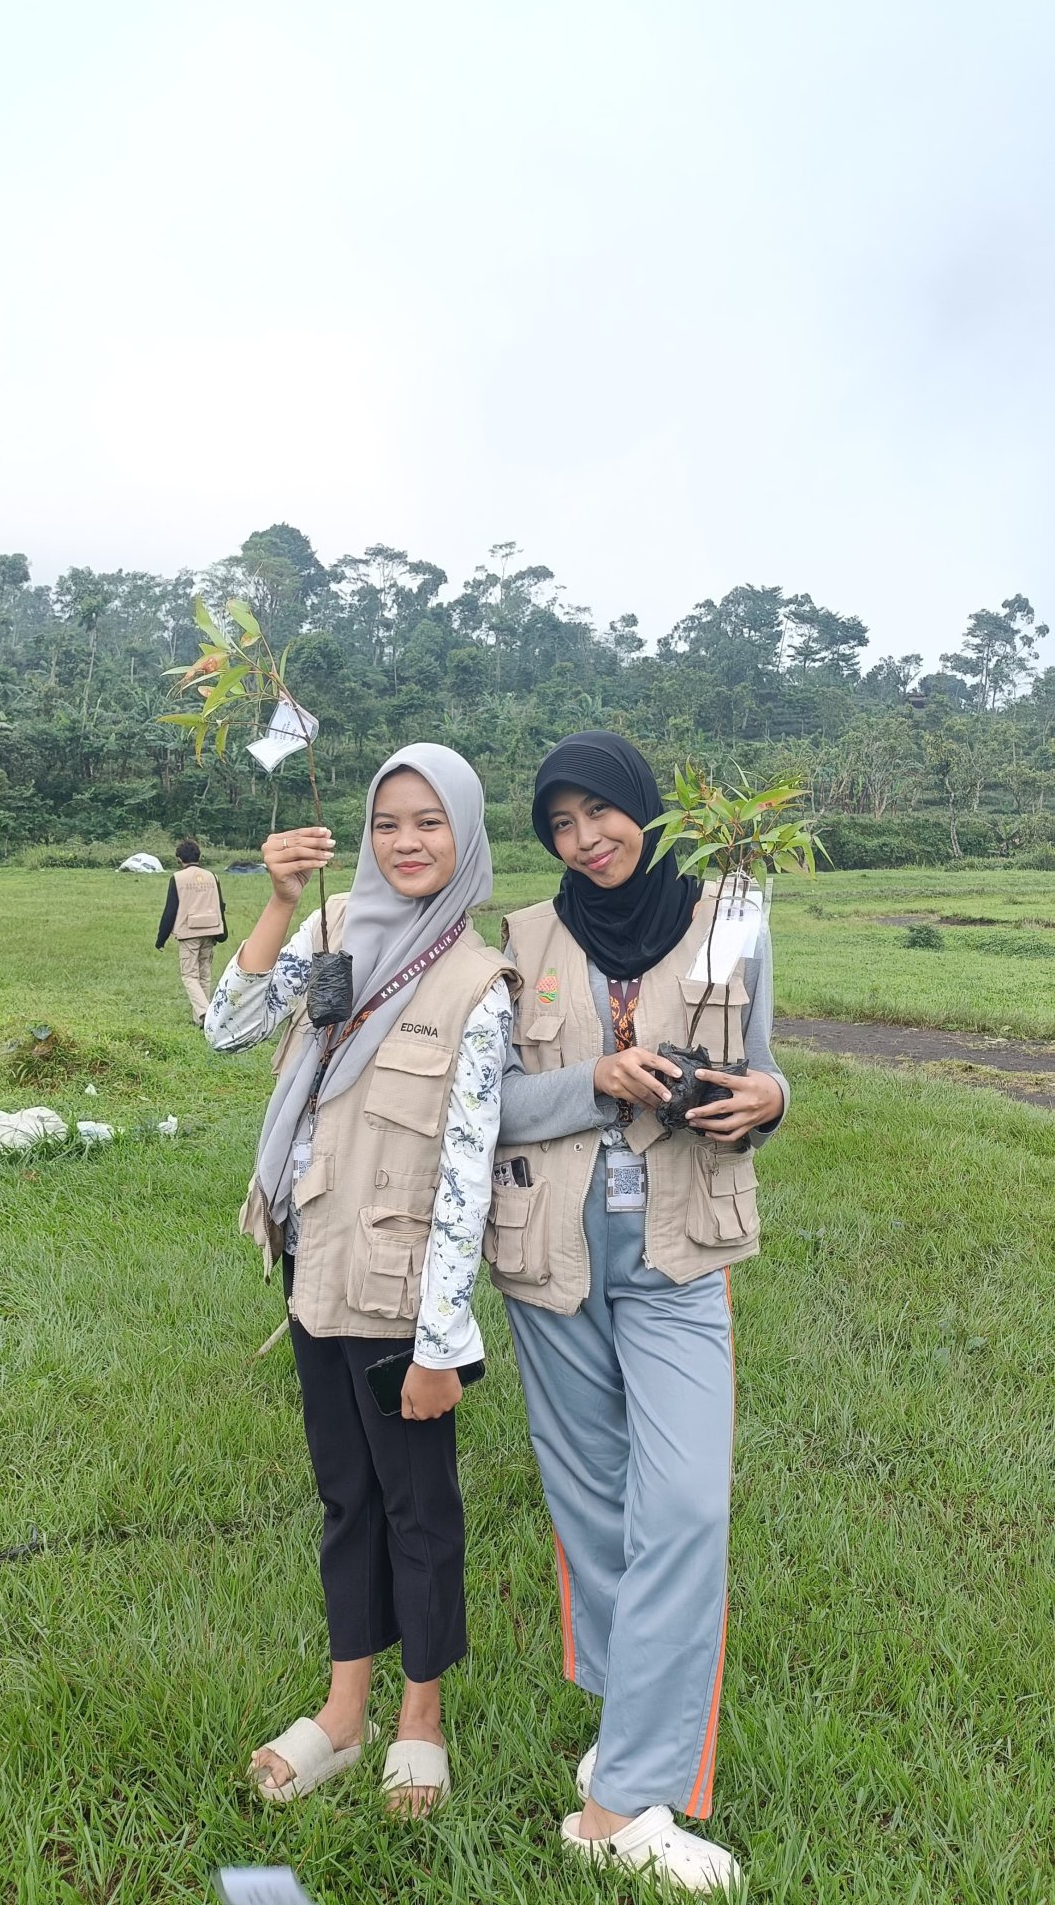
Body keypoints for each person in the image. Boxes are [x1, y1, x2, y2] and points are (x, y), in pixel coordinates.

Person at [491, 731, 788, 1895]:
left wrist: (768, 1096)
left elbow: (760, 1073)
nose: (585, 840)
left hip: (678, 1251)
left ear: (643, 810)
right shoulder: (524, 937)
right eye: (560, 825)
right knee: (594, 1505)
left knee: (682, 1502)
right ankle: (627, 1745)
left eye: (599, 814)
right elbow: (497, 1109)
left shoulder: (730, 915)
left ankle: (618, 1806)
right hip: (549, 1256)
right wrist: (594, 1083)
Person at [205, 746, 516, 1816]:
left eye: (429, 822)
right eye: (387, 823)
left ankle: (418, 1720)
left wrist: (442, 1344)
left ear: (464, 834)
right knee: (345, 1498)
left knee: (416, 1508)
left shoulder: (478, 982)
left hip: (399, 1290)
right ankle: (344, 1713)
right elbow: (225, 1027)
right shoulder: (331, 932)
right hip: (312, 1262)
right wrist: (280, 899)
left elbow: (467, 1172)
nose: (407, 842)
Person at [154, 838, 227, 1025]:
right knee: (205, 975)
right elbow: (220, 906)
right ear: (199, 856)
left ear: (179, 859)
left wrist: (161, 939)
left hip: (189, 933)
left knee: (189, 975)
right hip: (211, 930)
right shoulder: (212, 876)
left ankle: (205, 1014)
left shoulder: (177, 878)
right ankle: (200, 1021)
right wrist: (222, 931)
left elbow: (170, 910)